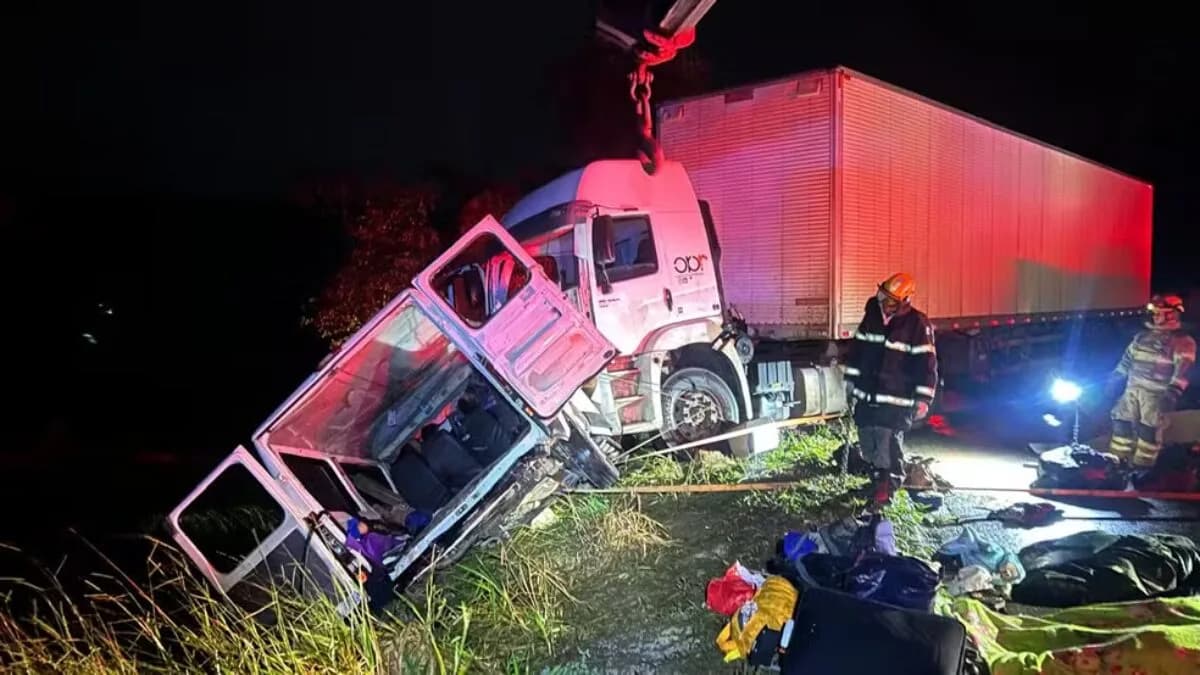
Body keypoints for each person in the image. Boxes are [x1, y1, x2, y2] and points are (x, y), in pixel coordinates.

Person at [844, 273, 939, 504]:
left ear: (904, 301)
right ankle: (875, 484)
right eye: (883, 297)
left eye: (891, 301)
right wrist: (851, 381)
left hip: (896, 401)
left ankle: (887, 491)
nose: (884, 304)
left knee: (888, 447)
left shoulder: (918, 324)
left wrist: (923, 399)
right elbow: (858, 351)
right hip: (868, 397)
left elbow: (926, 364)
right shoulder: (872, 318)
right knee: (868, 443)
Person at [1107, 294, 1195, 474]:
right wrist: (1114, 378)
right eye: (1154, 313)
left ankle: (1142, 468)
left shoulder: (1182, 342)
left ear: (1172, 315)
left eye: (1159, 313)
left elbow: (1182, 372)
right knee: (1121, 423)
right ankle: (1117, 463)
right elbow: (1126, 361)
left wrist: (1172, 393)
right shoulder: (1141, 337)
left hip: (1155, 395)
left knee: (1149, 431)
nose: (1155, 316)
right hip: (1132, 391)